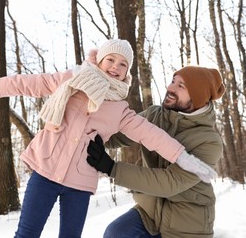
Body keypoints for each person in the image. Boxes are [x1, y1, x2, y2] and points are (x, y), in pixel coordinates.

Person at [0, 39, 217, 238]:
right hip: (46, 170)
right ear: (98, 60)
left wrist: (183, 158)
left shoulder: (120, 108)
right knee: (27, 233)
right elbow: (30, 84)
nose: (116, 67)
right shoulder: (72, 80)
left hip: (80, 182)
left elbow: (151, 135)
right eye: (111, 59)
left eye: (123, 65)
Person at [87, 65, 225, 238]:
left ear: (198, 97)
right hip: (149, 212)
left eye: (180, 86)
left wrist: (111, 168)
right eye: (173, 81)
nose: (170, 88)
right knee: (116, 233)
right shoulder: (154, 116)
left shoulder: (209, 141)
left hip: (188, 222)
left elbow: (171, 183)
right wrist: (87, 128)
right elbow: (115, 136)